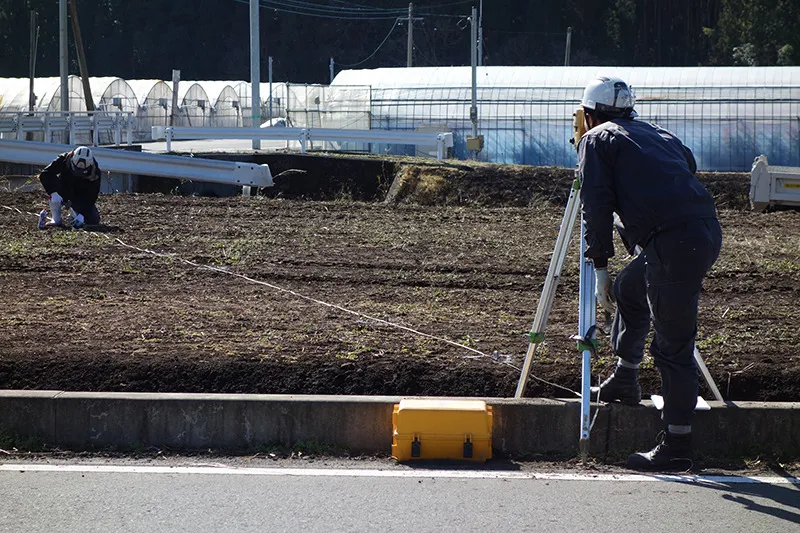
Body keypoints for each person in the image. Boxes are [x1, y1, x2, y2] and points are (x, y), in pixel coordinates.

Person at [576, 76, 722, 470]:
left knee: (673, 346)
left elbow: (597, 205)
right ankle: (626, 377)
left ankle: (676, 446)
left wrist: (600, 268)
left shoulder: (596, 139)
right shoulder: (659, 133)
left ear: (588, 114)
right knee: (631, 288)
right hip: (701, 233)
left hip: (674, 243)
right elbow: (687, 166)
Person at [37, 145, 101, 229]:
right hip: (64, 188)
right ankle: (56, 219)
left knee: (93, 219)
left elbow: (92, 196)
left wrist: (82, 214)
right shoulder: (63, 159)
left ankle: (74, 213)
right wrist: (53, 192)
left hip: (81, 195)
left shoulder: (95, 172)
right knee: (55, 192)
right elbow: (45, 174)